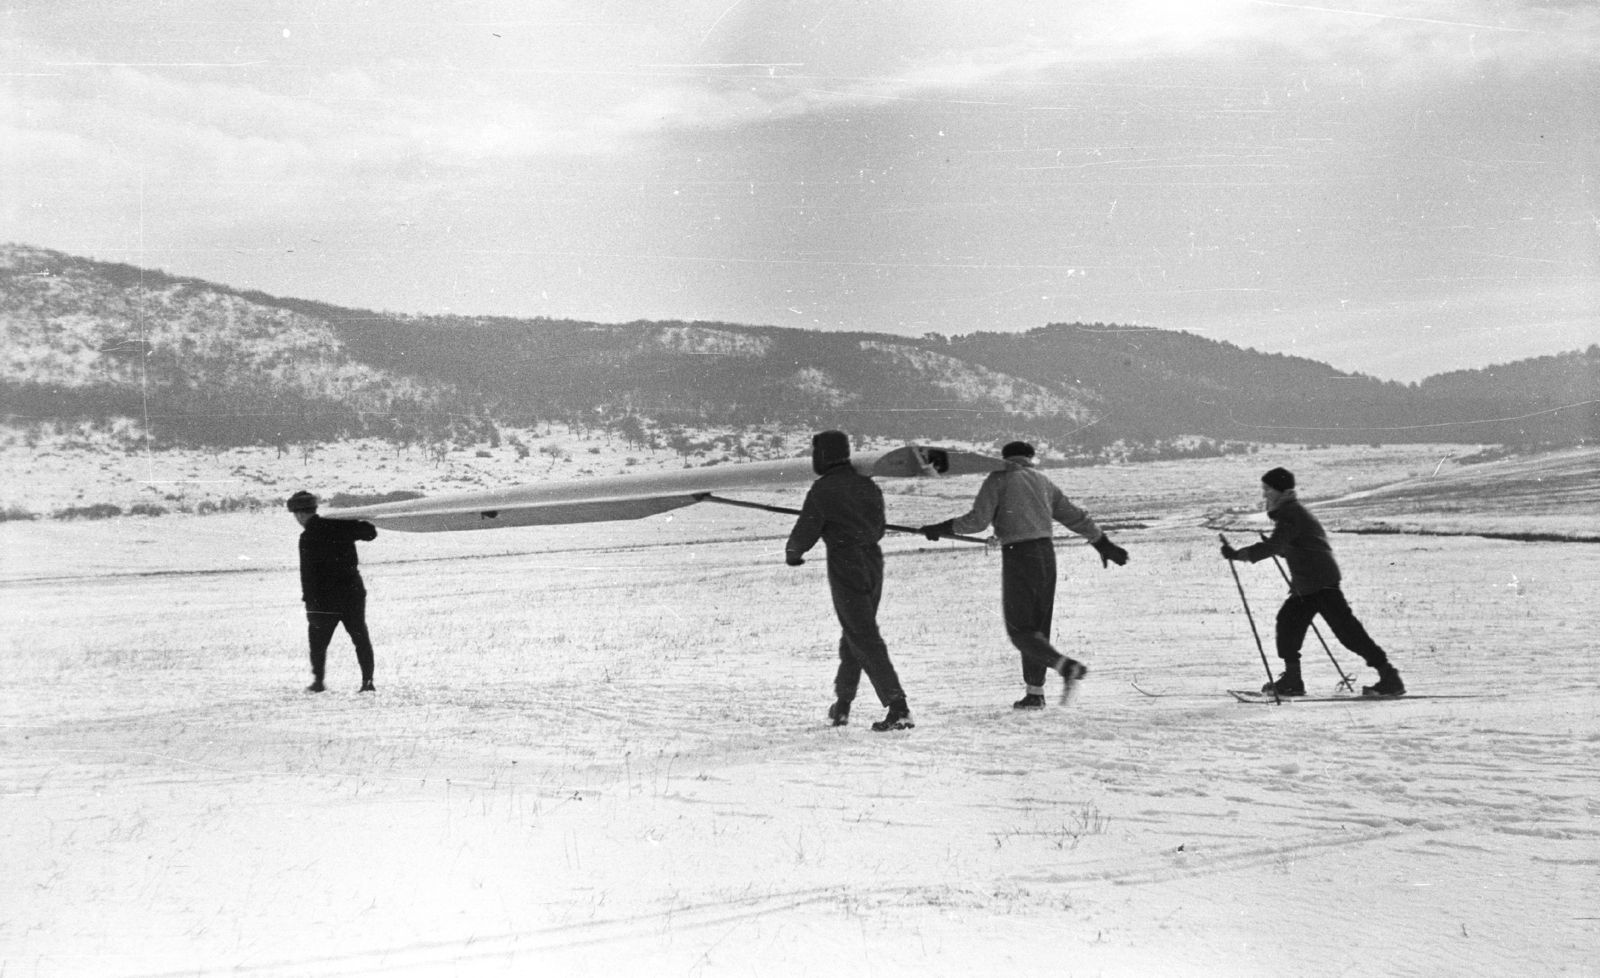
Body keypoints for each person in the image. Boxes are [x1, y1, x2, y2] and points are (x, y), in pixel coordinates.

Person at [919, 441, 1128, 708]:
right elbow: (1074, 516)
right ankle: (1035, 693)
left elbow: (977, 521)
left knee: (1020, 630)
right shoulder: (1043, 482)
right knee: (1038, 628)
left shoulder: (998, 479)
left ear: (1004, 458)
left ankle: (1065, 667)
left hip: (1019, 556)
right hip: (1046, 556)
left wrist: (942, 527)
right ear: (1030, 458)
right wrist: (1102, 542)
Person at [1220, 467, 1405, 697]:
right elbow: (1296, 545)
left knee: (1347, 632)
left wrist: (1239, 554)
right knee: (1288, 623)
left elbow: (1278, 544)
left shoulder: (1291, 513)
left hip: (1320, 583)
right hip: (1308, 584)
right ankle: (1292, 680)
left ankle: (1389, 677)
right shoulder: (1290, 512)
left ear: (1280, 490)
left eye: (1268, 489)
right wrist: (1281, 550)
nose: (1264, 494)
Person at [785, 431, 914, 732]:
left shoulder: (823, 489)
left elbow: (806, 529)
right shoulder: (867, 485)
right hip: (873, 561)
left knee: (862, 634)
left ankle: (899, 707)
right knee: (854, 633)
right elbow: (879, 527)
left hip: (845, 563)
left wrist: (793, 553)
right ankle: (842, 705)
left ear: (823, 455)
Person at [288, 490, 379, 693]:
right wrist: (355, 521)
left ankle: (319, 682)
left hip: (324, 600)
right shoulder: (339, 525)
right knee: (360, 638)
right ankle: (368, 682)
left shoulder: (307, 536)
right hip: (352, 593)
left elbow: (308, 575)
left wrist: (309, 602)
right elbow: (371, 533)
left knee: (318, 643)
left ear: (300, 514)